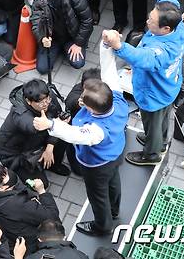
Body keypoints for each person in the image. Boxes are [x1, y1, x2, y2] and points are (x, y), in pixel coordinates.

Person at [103, 0, 184, 166]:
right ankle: (158, 142)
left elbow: (144, 59)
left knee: (152, 123)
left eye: (151, 21)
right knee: (161, 122)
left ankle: (151, 154)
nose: (147, 20)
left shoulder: (162, 50)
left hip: (154, 93)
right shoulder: (175, 20)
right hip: (169, 87)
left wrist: (119, 45)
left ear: (165, 29)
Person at [32, 43, 128, 236]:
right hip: (115, 153)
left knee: (98, 196)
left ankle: (103, 226)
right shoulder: (117, 100)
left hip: (97, 165)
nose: (80, 97)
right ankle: (115, 211)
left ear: (91, 109)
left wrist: (50, 125)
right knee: (114, 182)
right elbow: (109, 71)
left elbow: (75, 134)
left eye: (84, 97)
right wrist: (105, 45)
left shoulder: (97, 130)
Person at [0, 79, 71, 187]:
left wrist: (49, 148)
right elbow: (35, 127)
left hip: (37, 140)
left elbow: (56, 117)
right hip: (17, 154)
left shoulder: (48, 97)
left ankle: (53, 164)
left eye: (47, 99)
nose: (45, 104)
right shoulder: (20, 115)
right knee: (42, 184)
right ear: (28, 101)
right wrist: (57, 124)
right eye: (40, 102)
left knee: (64, 135)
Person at [0, 164, 60, 252]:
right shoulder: (18, 204)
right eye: (6, 175)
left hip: (11, 237)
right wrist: (42, 191)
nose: (9, 173)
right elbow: (52, 216)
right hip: (29, 244)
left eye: (5, 170)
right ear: (2, 188)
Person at [30, 0, 93, 74]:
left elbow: (87, 21)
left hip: (71, 37)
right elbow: (36, 21)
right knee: (42, 68)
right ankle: (59, 50)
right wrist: (42, 38)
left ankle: (66, 49)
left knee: (78, 63)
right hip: (52, 38)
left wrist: (78, 43)